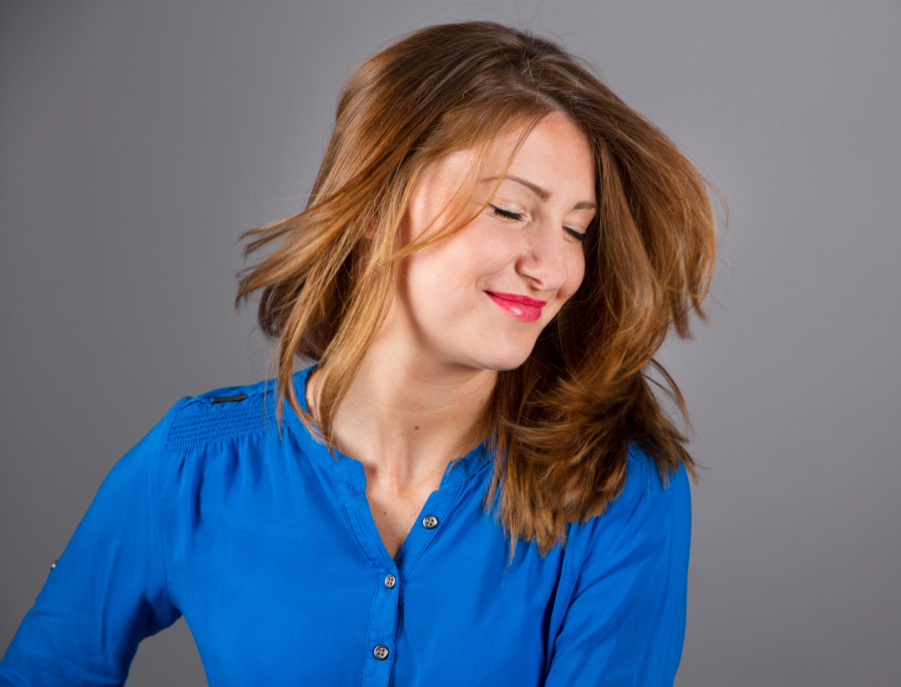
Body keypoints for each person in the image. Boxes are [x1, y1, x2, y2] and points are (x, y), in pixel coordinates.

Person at [0, 20, 717, 687]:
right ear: (375, 204)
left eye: (576, 229)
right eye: (510, 209)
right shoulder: (194, 464)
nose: (554, 268)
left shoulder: (618, 490)